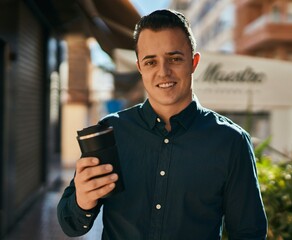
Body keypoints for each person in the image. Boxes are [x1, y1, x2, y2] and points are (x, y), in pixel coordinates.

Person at [57, 9, 267, 240]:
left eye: (175, 59)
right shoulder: (110, 132)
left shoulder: (231, 141)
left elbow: (249, 233)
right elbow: (72, 226)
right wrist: (82, 202)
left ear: (193, 62)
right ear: (140, 67)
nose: (163, 72)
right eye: (151, 62)